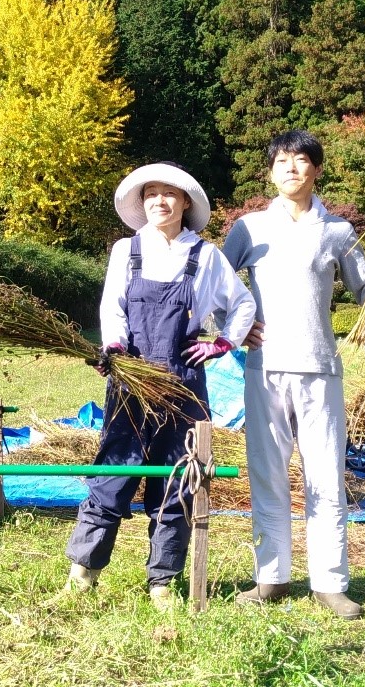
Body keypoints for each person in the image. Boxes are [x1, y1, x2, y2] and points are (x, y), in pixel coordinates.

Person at [65, 162, 256, 608]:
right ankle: (83, 574)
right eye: (151, 193)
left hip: (183, 382)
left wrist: (222, 343)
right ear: (142, 202)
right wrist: (114, 347)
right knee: (114, 472)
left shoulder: (205, 256)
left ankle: (163, 583)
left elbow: (242, 304)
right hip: (132, 380)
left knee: (177, 478)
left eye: (169, 193)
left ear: (185, 202)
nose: (159, 201)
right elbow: (111, 307)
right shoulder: (125, 250)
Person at [221, 130, 365, 619]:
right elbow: (214, 285)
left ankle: (330, 582)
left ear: (317, 169)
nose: (292, 168)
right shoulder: (248, 229)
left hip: (320, 368)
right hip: (264, 368)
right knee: (267, 474)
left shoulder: (338, 231)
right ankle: (271, 578)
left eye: (302, 159)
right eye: (282, 161)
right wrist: (233, 328)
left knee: (325, 475)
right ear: (271, 171)